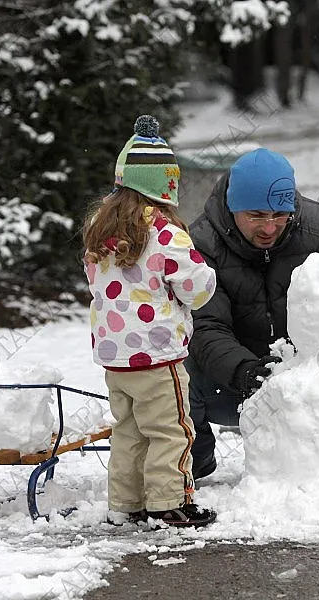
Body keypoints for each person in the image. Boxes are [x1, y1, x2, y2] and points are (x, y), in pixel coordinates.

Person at [83, 115, 218, 528]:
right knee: (171, 431)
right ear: (166, 186)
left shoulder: (98, 230)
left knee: (128, 432)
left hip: (115, 357)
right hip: (158, 356)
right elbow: (198, 289)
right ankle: (168, 502)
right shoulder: (164, 233)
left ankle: (126, 504)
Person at [187, 148, 319, 479]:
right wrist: (244, 371)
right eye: (256, 215)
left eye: (280, 215)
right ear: (233, 208)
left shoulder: (317, 229)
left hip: (310, 381)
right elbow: (206, 325)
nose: (269, 227)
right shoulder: (202, 243)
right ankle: (194, 458)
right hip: (235, 382)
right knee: (178, 372)